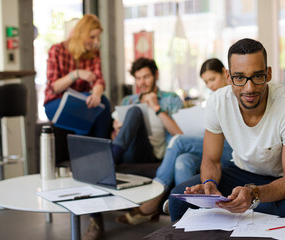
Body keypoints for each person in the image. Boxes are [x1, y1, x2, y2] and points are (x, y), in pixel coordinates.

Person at [169, 38, 285, 222]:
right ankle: (239, 205)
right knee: (177, 197)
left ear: (268, 74)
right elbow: (211, 161)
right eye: (239, 78)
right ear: (228, 77)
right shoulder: (218, 102)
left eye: (257, 76)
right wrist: (209, 184)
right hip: (240, 172)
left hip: (278, 179)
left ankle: (235, 206)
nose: (249, 88)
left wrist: (254, 194)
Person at [115, 58, 233, 226]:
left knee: (178, 141)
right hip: (212, 144)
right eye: (206, 82)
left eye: (212, 79)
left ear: (225, 73)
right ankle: (188, 217)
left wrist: (157, 108)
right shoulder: (215, 99)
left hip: (229, 148)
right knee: (182, 160)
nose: (210, 85)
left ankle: (155, 196)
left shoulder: (234, 96)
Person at [84, 57, 183, 240]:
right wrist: (116, 131)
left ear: (156, 75)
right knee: (134, 111)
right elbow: (118, 137)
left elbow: (179, 134)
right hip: (129, 151)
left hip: (153, 153)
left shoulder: (171, 99)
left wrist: (156, 108)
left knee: (135, 111)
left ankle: (107, 160)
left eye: (146, 77)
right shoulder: (129, 100)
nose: (141, 83)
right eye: (138, 79)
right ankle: (111, 157)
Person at [44, 14, 111, 138]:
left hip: (80, 101)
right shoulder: (57, 50)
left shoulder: (94, 53)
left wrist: (96, 94)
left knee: (103, 102)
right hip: (55, 102)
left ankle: (103, 151)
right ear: (80, 34)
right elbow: (54, 88)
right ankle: (84, 155)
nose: (96, 42)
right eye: (92, 37)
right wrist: (76, 74)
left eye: (98, 37)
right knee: (85, 105)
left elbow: (99, 80)